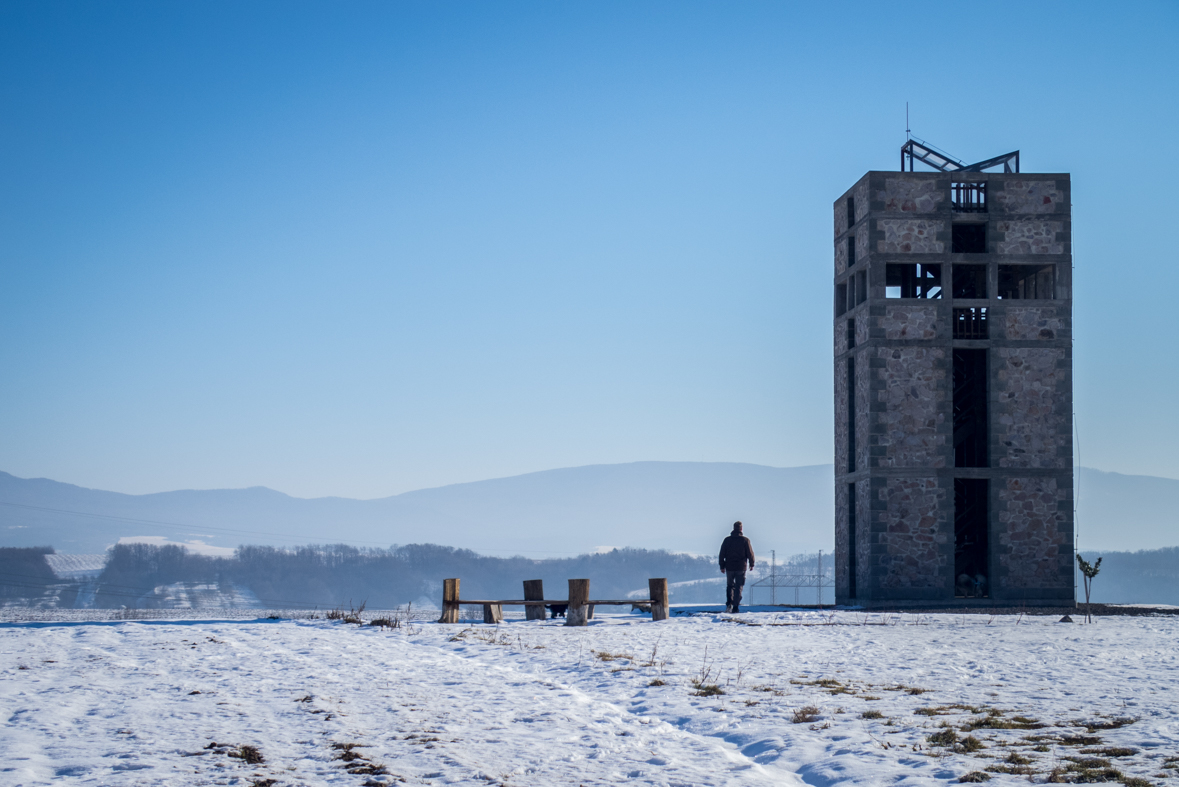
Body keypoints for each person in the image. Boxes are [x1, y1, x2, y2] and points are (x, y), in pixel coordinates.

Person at [718, 521, 755, 613]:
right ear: (741, 529)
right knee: (739, 586)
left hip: (729, 567)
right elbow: (750, 553)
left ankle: (729, 604)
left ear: (733, 528)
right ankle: (735, 606)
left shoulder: (727, 540)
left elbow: (722, 554)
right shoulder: (745, 540)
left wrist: (722, 566)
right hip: (741, 567)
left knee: (730, 586)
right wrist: (751, 564)